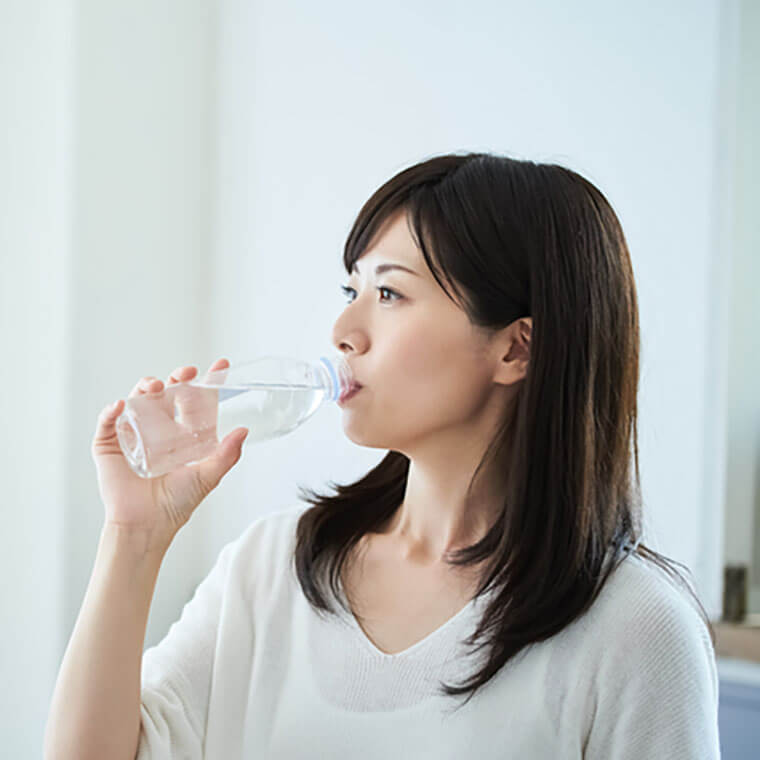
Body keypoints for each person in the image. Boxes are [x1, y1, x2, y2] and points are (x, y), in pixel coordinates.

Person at [44, 152, 720, 759]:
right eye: (352, 291)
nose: (342, 331)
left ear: (515, 349)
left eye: (390, 294)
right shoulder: (272, 569)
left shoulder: (637, 632)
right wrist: (132, 539)